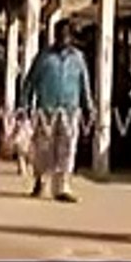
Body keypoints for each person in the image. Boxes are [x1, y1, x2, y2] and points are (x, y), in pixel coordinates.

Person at [21, 19, 93, 203]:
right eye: (60, 34)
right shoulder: (44, 57)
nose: (63, 38)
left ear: (71, 37)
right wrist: (25, 105)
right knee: (43, 148)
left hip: (70, 109)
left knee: (67, 148)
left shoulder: (78, 58)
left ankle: (62, 187)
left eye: (66, 35)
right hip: (46, 109)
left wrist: (88, 107)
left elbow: (84, 84)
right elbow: (29, 82)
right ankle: (41, 181)